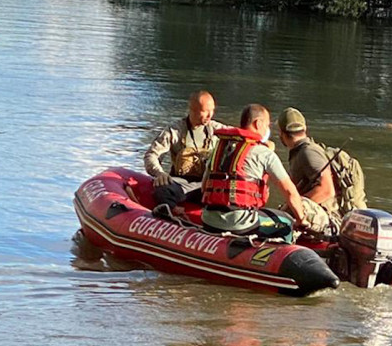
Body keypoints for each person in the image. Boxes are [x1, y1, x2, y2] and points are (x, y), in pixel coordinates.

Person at [200, 103, 307, 241]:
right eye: (267, 125)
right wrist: (301, 220)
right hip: (240, 224)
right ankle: (275, 256)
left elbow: (204, 187)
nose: (268, 130)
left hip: (208, 220)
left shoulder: (219, 149)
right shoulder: (264, 153)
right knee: (286, 222)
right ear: (258, 123)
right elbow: (289, 191)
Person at [144, 90, 227, 207]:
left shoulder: (218, 130)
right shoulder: (174, 130)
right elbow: (151, 155)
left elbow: (240, 136)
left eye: (212, 110)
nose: (210, 115)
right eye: (205, 111)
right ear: (192, 109)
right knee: (161, 189)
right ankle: (171, 210)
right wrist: (160, 173)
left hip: (205, 185)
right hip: (180, 183)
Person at [276, 107, 339, 234]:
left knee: (285, 213)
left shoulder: (308, 152)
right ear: (304, 129)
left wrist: (295, 208)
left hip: (327, 218)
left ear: (282, 134)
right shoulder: (300, 152)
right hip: (317, 213)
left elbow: (327, 190)